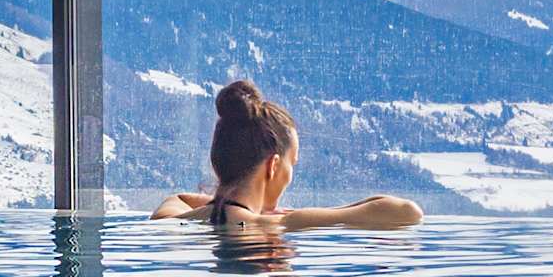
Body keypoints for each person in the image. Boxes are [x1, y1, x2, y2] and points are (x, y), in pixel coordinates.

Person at [152, 80, 423, 230]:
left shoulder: (171, 220)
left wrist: (223, 201)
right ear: (273, 166)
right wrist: (300, 214)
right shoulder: (275, 224)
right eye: (292, 164)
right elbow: (407, 212)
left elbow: (177, 198)